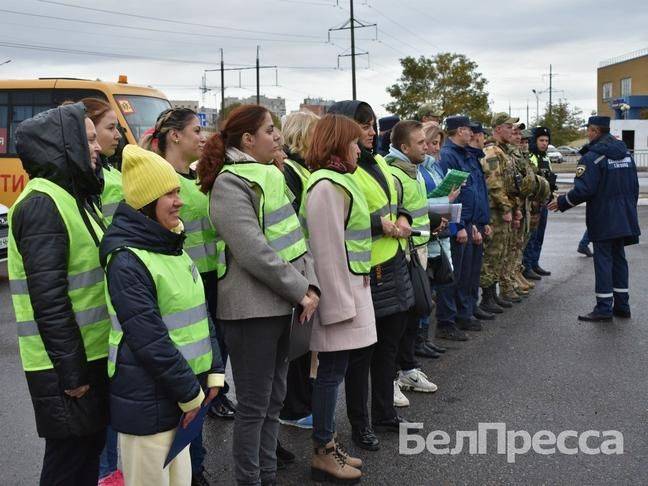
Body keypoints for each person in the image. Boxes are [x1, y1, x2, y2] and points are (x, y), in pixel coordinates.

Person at [197, 104, 320, 485]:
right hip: (251, 312)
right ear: (248, 139)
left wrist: (310, 284)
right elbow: (252, 251)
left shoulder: (269, 176)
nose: (278, 137)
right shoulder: (231, 183)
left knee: (272, 403)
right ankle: (251, 479)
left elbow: (296, 238)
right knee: (254, 406)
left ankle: (267, 475)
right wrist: (302, 289)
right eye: (270, 131)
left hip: (283, 305)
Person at [100, 144, 223, 486]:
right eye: (169, 194)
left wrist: (213, 372)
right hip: (150, 402)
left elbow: (200, 313)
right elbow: (149, 339)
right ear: (145, 202)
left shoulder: (170, 245)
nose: (179, 200)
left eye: (177, 191)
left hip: (181, 397)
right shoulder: (126, 259)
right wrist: (191, 395)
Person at [8, 102, 110, 485]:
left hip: (88, 355)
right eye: (87, 139)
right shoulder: (42, 203)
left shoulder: (72, 195)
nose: (97, 145)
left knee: (84, 456)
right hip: (64, 365)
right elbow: (49, 300)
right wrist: (72, 373)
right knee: (68, 463)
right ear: (62, 145)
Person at [140, 107, 227, 485]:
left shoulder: (197, 179)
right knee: (181, 385)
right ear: (174, 136)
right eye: (196, 129)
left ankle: (195, 466)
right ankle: (186, 469)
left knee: (205, 378)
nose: (202, 136)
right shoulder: (156, 183)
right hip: (175, 289)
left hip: (207, 283)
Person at [328, 100, 415, 450]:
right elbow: (340, 220)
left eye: (373, 124)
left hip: (393, 262)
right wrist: (381, 226)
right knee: (362, 356)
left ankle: (384, 413)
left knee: (388, 349)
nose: (371, 131)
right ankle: (360, 425)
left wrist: (404, 218)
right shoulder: (343, 171)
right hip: (367, 271)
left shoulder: (378, 161)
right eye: (363, 125)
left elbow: (398, 201)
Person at [302, 113, 375, 484]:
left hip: (349, 292)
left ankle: (327, 444)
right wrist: (339, 307)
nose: (359, 148)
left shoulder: (337, 181)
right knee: (329, 375)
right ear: (336, 144)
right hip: (340, 298)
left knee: (334, 372)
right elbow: (326, 253)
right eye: (353, 142)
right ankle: (323, 452)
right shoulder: (327, 186)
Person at [548, 116, 640, 321]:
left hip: (604, 217)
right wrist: (629, 209)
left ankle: (604, 308)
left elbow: (584, 189)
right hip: (625, 215)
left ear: (595, 131)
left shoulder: (592, 157)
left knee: (603, 261)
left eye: (588, 130)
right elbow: (634, 186)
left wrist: (562, 202)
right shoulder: (625, 154)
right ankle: (622, 305)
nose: (587, 134)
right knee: (619, 259)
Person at [81, 98, 124, 486]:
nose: (117, 134)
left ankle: (110, 473)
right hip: (96, 316)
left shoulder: (108, 174)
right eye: (109, 128)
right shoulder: (100, 180)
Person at [385, 120, 440, 404]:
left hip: (419, 250)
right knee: (400, 318)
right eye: (420, 143)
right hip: (401, 254)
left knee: (415, 314)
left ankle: (408, 368)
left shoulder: (414, 171)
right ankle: (391, 377)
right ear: (404, 147)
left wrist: (432, 223)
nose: (426, 146)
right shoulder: (394, 174)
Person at [279, 110, 320, 431]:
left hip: (309, 263)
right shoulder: (289, 172)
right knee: (296, 344)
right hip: (297, 265)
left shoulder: (303, 169)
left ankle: (303, 401)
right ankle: (293, 407)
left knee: (305, 343)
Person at [439, 115, 486, 332]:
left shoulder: (465, 154)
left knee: (467, 274)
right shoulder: (449, 156)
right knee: (455, 275)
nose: (472, 134)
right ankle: (452, 319)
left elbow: (474, 192)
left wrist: (476, 222)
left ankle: (465, 313)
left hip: (469, 221)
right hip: (458, 223)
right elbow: (451, 195)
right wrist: (457, 226)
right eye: (468, 130)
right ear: (459, 131)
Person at [419, 124, 463, 342]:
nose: (437, 148)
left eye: (439, 143)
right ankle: (420, 339)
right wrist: (446, 200)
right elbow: (419, 204)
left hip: (440, 232)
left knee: (434, 287)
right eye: (432, 143)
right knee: (425, 290)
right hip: (427, 235)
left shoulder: (434, 167)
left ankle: (425, 339)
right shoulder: (419, 170)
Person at [478, 113, 519, 312]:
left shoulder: (503, 151)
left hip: (503, 208)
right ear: (497, 129)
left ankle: (492, 294)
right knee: (492, 253)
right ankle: (486, 297)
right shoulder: (492, 151)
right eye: (509, 126)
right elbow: (494, 184)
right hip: (495, 211)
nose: (513, 130)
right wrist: (505, 208)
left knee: (500, 252)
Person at [465, 122, 494, 321]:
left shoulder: (475, 157)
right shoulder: (463, 156)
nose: (485, 138)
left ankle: (472, 306)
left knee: (474, 271)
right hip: (467, 223)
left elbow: (480, 193)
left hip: (478, 221)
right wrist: (471, 224)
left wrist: (485, 220)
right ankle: (463, 312)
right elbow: (463, 195)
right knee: (464, 274)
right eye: (483, 134)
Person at [523, 126, 556, 279]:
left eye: (546, 140)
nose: (544, 143)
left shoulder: (545, 157)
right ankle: (527, 266)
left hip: (544, 201)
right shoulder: (531, 156)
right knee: (532, 236)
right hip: (533, 203)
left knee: (540, 235)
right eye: (541, 140)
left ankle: (535, 263)